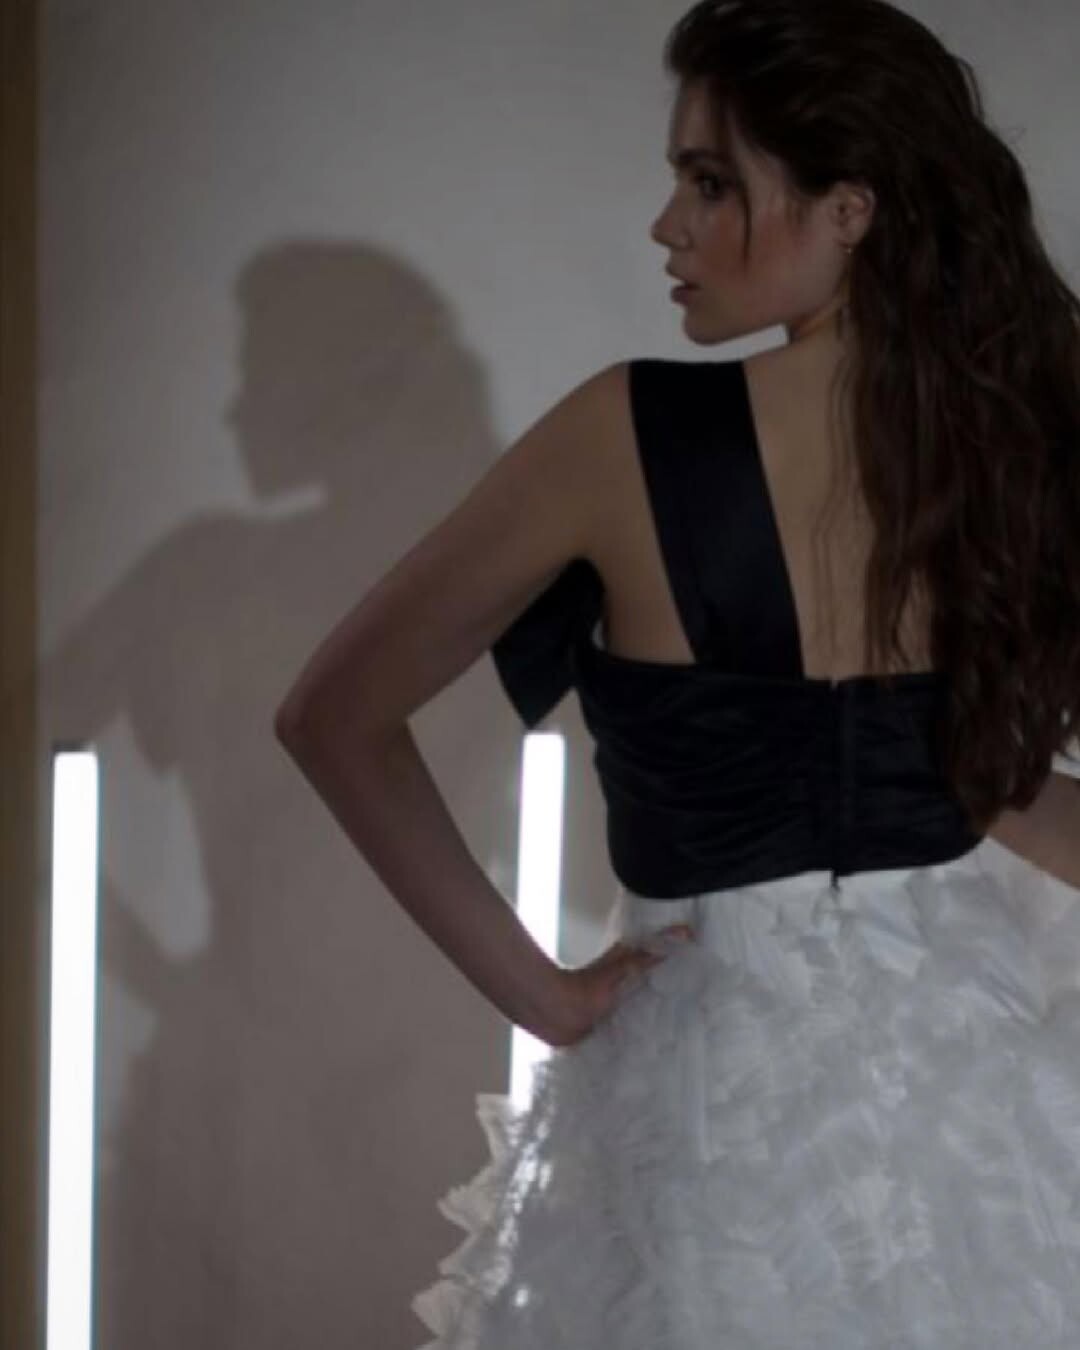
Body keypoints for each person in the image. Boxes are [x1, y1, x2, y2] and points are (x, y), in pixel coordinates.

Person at [274, 0, 1080, 1344]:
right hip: (985, 1108)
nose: (667, 226)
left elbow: (331, 717)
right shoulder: (1011, 444)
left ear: (850, 211)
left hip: (716, 1107)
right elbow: (999, 793)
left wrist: (547, 998)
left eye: (710, 184)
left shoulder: (623, 433)